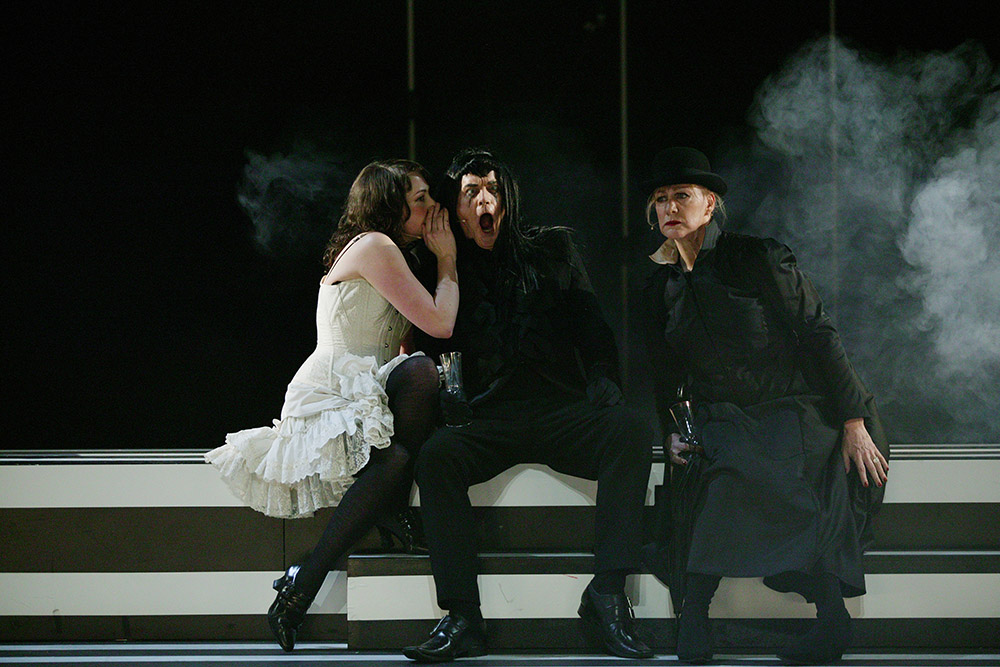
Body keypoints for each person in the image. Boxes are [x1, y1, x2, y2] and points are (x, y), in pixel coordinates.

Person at [638, 147, 889, 664]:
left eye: (682, 196)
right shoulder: (662, 287)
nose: (669, 207)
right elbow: (665, 374)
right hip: (721, 415)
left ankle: (830, 620)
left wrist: (854, 417)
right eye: (661, 199)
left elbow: (818, 333)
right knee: (716, 465)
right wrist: (672, 428)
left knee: (766, 469)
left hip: (792, 406)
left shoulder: (758, 258)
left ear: (709, 206)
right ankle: (695, 619)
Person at [402, 149, 654, 662]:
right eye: (472, 192)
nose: (484, 200)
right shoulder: (444, 266)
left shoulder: (552, 249)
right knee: (438, 457)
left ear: (508, 197)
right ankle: (462, 616)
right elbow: (425, 340)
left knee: (628, 431)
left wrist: (605, 380)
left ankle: (606, 595)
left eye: (492, 189)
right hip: (490, 418)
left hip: (560, 409)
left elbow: (593, 327)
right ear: (457, 207)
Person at [205, 159, 459, 652]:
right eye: (421, 199)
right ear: (390, 205)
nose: (433, 208)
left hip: (369, 379)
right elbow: (440, 323)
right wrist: (447, 260)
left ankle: (350, 543)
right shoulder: (377, 245)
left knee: (416, 393)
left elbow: (401, 347)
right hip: (337, 386)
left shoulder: (386, 249)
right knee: (411, 410)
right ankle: (312, 573)